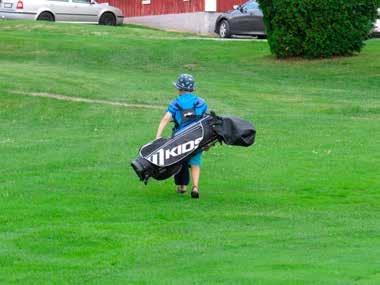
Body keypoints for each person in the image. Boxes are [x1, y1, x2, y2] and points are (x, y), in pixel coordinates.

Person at [155, 74, 208, 199]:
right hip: (197, 136)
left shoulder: (176, 102)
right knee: (195, 162)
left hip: (180, 137)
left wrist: (158, 136)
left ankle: (182, 186)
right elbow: (206, 120)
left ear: (179, 88)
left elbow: (166, 118)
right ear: (193, 89)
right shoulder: (200, 102)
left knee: (179, 160)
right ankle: (195, 187)